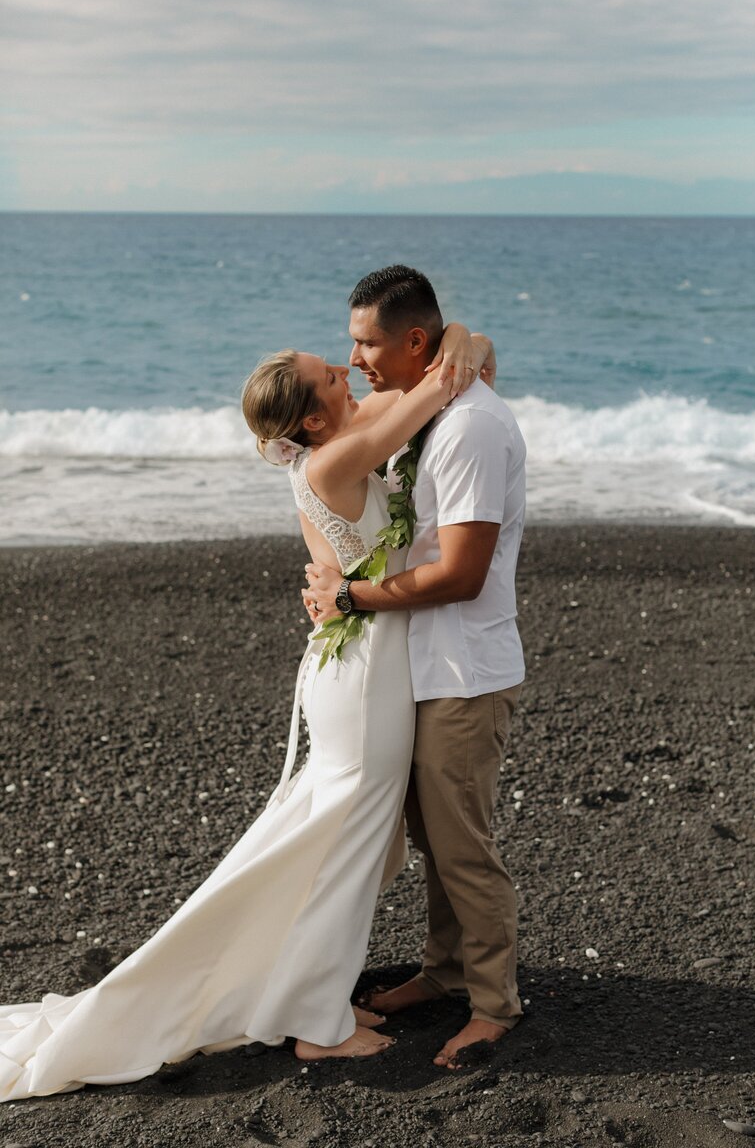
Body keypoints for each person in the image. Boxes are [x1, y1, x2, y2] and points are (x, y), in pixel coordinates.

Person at [0, 321, 488, 1101]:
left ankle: (301, 992)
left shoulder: (325, 450)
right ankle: (320, 1025)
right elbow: (442, 383)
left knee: (334, 841)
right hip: (363, 680)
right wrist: (456, 336)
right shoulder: (334, 459)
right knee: (347, 847)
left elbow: (445, 373)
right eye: (331, 374)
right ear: (316, 419)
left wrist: (459, 334)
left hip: (356, 665)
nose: (344, 367)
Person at [304, 264, 527, 1069]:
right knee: (435, 836)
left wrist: (354, 596)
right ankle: (442, 971)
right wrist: (467, 340)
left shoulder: (469, 429)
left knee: (464, 845)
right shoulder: (419, 409)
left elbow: (462, 573)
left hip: (465, 671)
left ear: (416, 341)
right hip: (420, 667)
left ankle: (495, 1004)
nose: (355, 355)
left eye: (365, 341)